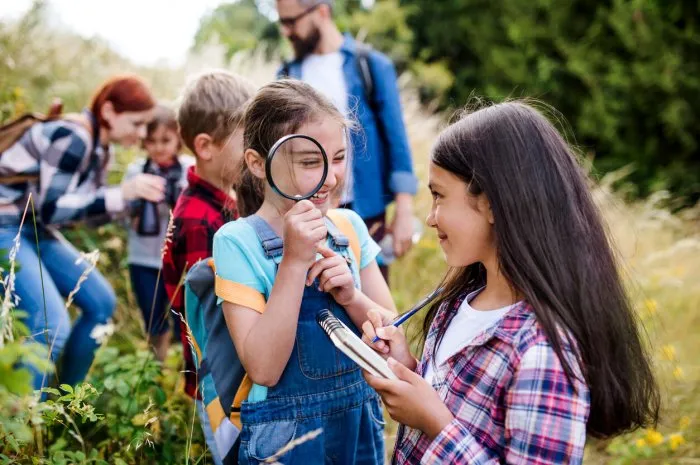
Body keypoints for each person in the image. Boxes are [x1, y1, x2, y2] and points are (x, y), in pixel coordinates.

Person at [362, 101, 661, 464]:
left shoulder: (542, 353)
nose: (430, 217)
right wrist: (406, 369)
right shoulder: (458, 303)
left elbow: (445, 420)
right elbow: (462, 402)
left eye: (439, 195)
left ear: (490, 204)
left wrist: (436, 425)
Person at [213, 80, 396, 463]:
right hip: (285, 442)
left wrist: (351, 296)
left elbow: (395, 346)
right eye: (311, 162)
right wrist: (294, 263)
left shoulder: (349, 228)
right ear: (257, 164)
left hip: (358, 430)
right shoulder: (237, 242)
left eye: (340, 157)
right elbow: (264, 368)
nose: (330, 178)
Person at [0, 75, 164, 391]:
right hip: (6, 225)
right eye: (137, 123)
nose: (141, 133)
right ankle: (24, 425)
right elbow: (52, 209)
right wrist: (120, 194)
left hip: (33, 227)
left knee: (101, 302)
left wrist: (128, 206)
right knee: (50, 324)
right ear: (109, 111)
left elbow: (79, 214)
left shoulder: (102, 152)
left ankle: (64, 399)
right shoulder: (74, 137)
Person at [276, 0, 418, 282]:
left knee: (373, 299)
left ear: (321, 12)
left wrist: (404, 209)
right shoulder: (287, 76)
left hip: (368, 211)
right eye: (282, 23)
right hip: (310, 210)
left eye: (292, 22)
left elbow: (396, 139)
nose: (286, 31)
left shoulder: (371, 65)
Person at [161, 70, 255, 465]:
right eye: (245, 140)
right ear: (206, 146)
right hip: (220, 381)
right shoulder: (200, 221)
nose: (255, 150)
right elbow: (211, 317)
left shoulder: (219, 201)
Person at [123, 104, 192, 362]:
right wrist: (138, 204)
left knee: (185, 324)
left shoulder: (188, 169)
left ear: (178, 139)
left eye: (166, 140)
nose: (159, 147)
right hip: (143, 258)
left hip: (179, 260)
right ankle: (156, 373)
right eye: (151, 141)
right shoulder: (136, 172)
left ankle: (187, 376)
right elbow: (122, 216)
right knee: (153, 321)